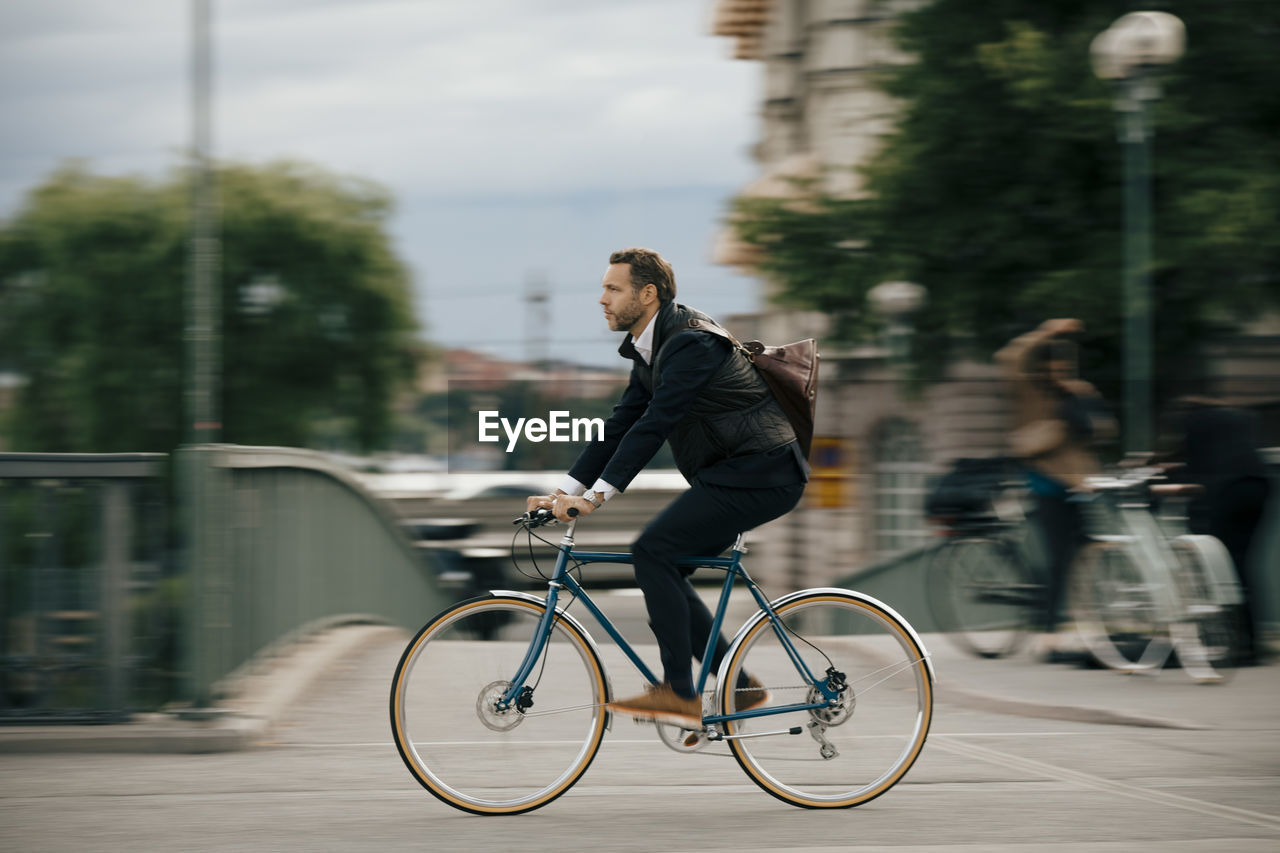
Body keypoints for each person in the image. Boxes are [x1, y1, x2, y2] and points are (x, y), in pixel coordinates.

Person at [526, 247, 809, 725]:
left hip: (761, 473)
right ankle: (737, 686)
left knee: (652, 551)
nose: (602, 299)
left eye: (613, 289)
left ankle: (679, 692)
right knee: (665, 566)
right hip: (735, 475)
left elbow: (656, 423)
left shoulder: (690, 343)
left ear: (648, 293)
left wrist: (595, 498)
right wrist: (565, 490)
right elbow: (618, 427)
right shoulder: (652, 351)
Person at [996, 318, 1116, 659]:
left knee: (1087, 552)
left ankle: (1080, 623)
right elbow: (1010, 358)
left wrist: (1084, 404)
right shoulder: (1028, 390)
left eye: (1065, 365)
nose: (1060, 371)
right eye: (1054, 365)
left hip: (1079, 483)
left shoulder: (1077, 392)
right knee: (1059, 557)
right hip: (1046, 482)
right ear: (1043, 367)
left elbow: (1103, 431)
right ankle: (1047, 634)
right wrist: (1046, 332)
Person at [1158, 396, 1273, 663]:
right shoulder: (1236, 416)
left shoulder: (1190, 420)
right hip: (1257, 487)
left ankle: (1230, 642)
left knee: (1218, 567)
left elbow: (1188, 460)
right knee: (1242, 565)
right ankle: (1252, 644)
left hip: (1225, 492)